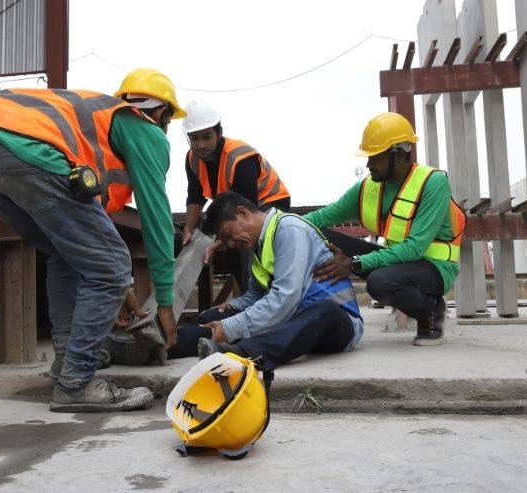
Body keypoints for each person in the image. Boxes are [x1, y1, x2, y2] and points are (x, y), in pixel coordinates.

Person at [0, 68, 185, 412]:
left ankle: (66, 367)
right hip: (28, 157)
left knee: (65, 256)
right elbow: (157, 216)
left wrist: (122, 289)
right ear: (162, 113)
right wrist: (165, 302)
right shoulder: (143, 128)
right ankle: (76, 384)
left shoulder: (97, 123)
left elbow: (89, 242)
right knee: (112, 265)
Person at [306, 112, 466, 346]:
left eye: (375, 158)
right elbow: (321, 217)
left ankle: (430, 310)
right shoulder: (369, 187)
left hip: (434, 267)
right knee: (318, 235)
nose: (368, 164)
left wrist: (353, 264)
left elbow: (415, 248)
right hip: (399, 261)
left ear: (398, 156)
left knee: (379, 283)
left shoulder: (433, 183)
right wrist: (279, 224)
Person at [167, 192, 363, 370]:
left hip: (336, 323)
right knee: (212, 318)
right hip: (291, 317)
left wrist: (230, 328)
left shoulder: (290, 230)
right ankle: (163, 346)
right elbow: (256, 295)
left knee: (325, 311)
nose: (231, 244)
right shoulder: (257, 244)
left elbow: (286, 297)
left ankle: (243, 353)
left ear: (243, 213)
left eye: (228, 234)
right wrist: (230, 307)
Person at [180, 100, 291, 291]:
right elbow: (195, 197)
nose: (201, 145)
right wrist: (188, 230)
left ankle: (266, 298)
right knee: (232, 253)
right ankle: (250, 299)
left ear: (219, 132)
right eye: (194, 138)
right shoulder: (192, 159)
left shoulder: (240, 157)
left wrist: (216, 244)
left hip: (268, 203)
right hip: (235, 207)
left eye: (207, 137)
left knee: (245, 245)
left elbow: (245, 213)